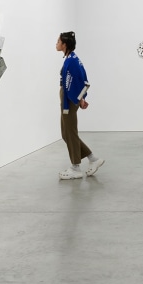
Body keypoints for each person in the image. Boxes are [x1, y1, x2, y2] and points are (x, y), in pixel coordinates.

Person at [57, 31, 103, 180]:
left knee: (70, 133)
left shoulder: (72, 61)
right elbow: (80, 79)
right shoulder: (72, 59)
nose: (56, 44)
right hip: (69, 99)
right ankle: (93, 159)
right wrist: (81, 98)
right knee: (67, 134)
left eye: (58, 41)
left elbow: (81, 79)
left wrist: (80, 98)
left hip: (69, 102)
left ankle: (76, 167)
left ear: (65, 44)